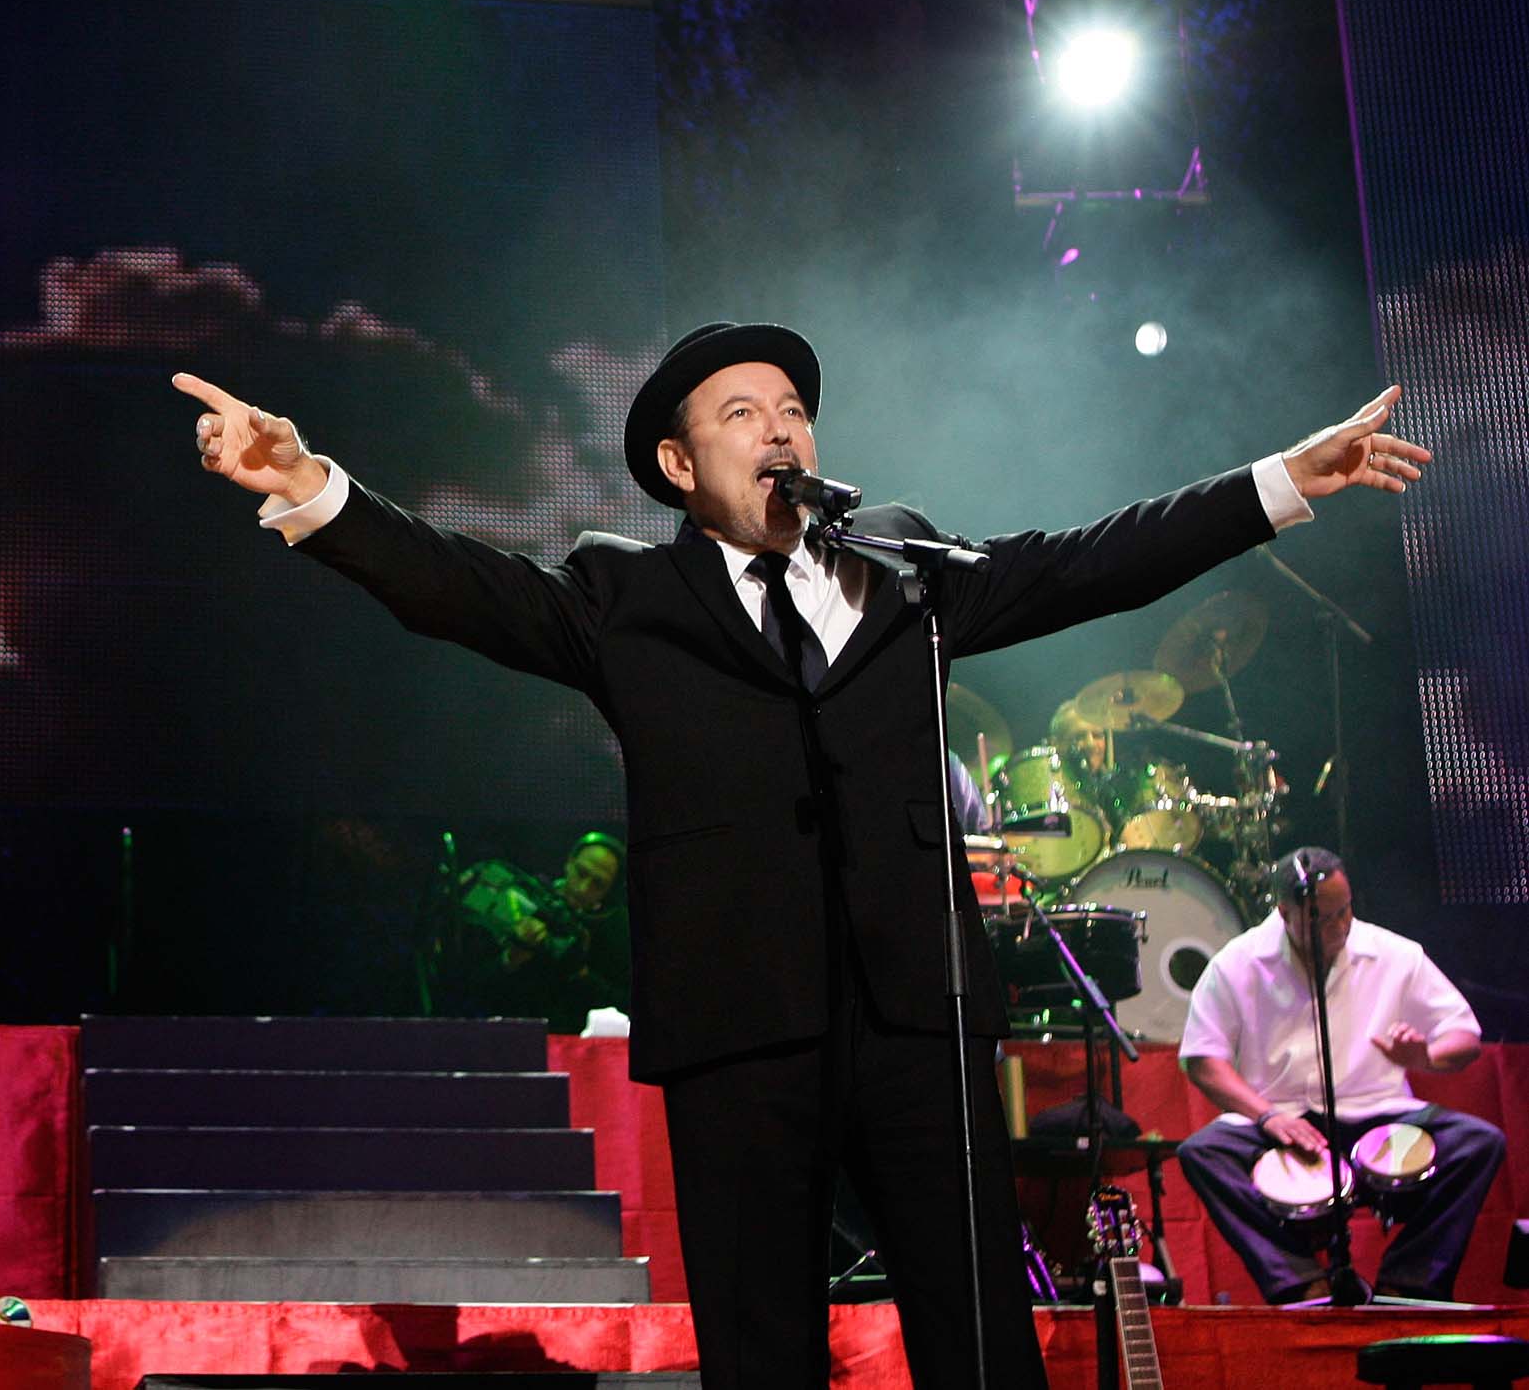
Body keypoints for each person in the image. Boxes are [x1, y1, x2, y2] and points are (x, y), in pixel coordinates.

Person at [174, 323, 1425, 1386]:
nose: (780, 431)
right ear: (677, 462)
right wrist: (311, 484)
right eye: (741, 413)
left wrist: (1279, 481)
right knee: (763, 1340)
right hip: (740, 1025)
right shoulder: (623, 595)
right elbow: (456, 585)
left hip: (916, 1016)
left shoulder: (904, 570)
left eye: (792, 411)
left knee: (979, 1334)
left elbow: (1091, 561)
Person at [1177, 848, 1504, 1303]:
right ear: (1285, 912)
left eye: (1345, 910)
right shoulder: (1237, 963)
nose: (1341, 926)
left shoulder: (1395, 954)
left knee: (1478, 1143)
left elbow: (1464, 1035)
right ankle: (1299, 1283)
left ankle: (1406, 1285)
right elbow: (1203, 1060)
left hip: (1381, 1117)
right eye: (1324, 918)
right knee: (1203, 1152)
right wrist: (1267, 1116)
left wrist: (1425, 1055)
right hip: (1284, 1122)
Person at [446, 831, 632, 1030]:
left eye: (598, 884)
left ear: (610, 890)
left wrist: (581, 975)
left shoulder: (617, 930)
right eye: (581, 873)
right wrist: (511, 959)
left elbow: (624, 1005)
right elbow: (465, 992)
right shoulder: (521, 902)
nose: (583, 888)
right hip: (511, 1034)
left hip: (575, 1043)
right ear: (569, 862)